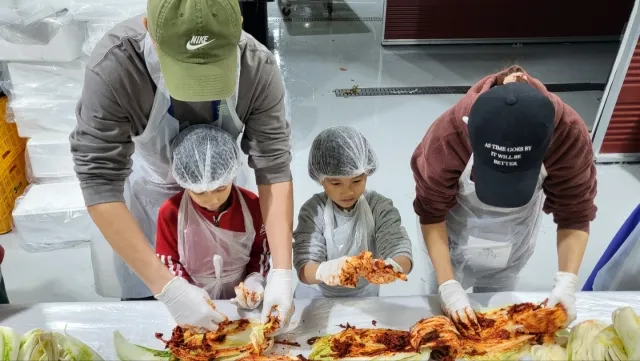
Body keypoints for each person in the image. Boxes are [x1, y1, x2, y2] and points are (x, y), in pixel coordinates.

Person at [70, 0, 294, 331]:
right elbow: (99, 178)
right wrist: (168, 288)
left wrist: (281, 271)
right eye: (186, 71)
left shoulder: (255, 66)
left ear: (238, 28)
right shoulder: (117, 67)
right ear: (150, 30)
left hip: (226, 192)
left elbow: (273, 165)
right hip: (150, 205)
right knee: (156, 325)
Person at [410, 66, 597, 333]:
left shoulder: (567, 136)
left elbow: (575, 212)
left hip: (512, 241)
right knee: (441, 322)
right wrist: (447, 285)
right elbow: (431, 210)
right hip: (448, 237)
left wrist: (566, 281)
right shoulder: (449, 135)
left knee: (496, 316)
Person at [155, 124, 269, 310]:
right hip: (192, 301)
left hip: (241, 303)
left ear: (232, 173)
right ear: (185, 183)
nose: (212, 200)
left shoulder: (252, 205)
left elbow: (261, 251)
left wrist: (254, 280)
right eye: (199, 192)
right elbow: (168, 262)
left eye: (220, 188)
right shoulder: (171, 212)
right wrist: (185, 293)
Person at [293, 126, 413, 298]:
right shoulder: (313, 210)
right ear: (321, 180)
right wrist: (328, 271)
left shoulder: (378, 206)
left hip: (363, 295)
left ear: (367, 174)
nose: (348, 192)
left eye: (357, 181)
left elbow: (400, 252)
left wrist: (391, 267)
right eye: (336, 184)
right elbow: (305, 268)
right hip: (316, 295)